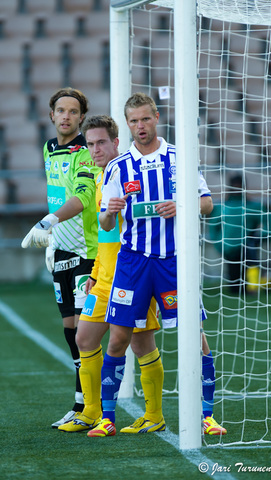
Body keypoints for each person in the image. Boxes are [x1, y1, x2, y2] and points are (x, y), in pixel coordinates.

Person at [87, 92, 226, 437]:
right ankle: (107, 418)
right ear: (128, 124)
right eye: (133, 121)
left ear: (157, 117)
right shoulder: (118, 167)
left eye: (145, 119)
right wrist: (110, 211)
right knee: (119, 339)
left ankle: (207, 416)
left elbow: (207, 203)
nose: (140, 126)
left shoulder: (181, 158)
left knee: (196, 337)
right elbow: (105, 224)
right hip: (133, 263)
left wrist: (183, 206)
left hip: (174, 262)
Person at [57, 114, 166, 435]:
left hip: (135, 272)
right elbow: (107, 235)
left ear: (116, 142)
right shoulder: (101, 178)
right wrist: (96, 269)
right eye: (90, 144)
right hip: (105, 276)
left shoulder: (133, 173)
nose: (95, 150)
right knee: (84, 337)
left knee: (139, 342)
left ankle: (154, 414)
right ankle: (90, 411)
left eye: (101, 142)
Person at [21, 87, 101, 427]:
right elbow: (58, 194)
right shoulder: (49, 148)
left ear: (81, 117)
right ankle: (81, 402)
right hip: (64, 250)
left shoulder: (86, 152)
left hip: (88, 252)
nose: (66, 116)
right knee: (70, 329)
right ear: (51, 115)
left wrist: (48, 222)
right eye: (60, 110)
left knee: (85, 333)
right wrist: (54, 239)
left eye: (72, 111)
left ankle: (91, 408)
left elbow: (83, 196)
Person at [208, 174, 265, 295]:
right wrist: (219, 244)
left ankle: (254, 287)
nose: (236, 189)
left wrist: (260, 237)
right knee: (235, 288)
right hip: (228, 248)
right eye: (234, 186)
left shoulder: (253, 207)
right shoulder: (221, 208)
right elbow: (213, 227)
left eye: (239, 186)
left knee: (251, 260)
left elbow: (266, 222)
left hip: (247, 245)